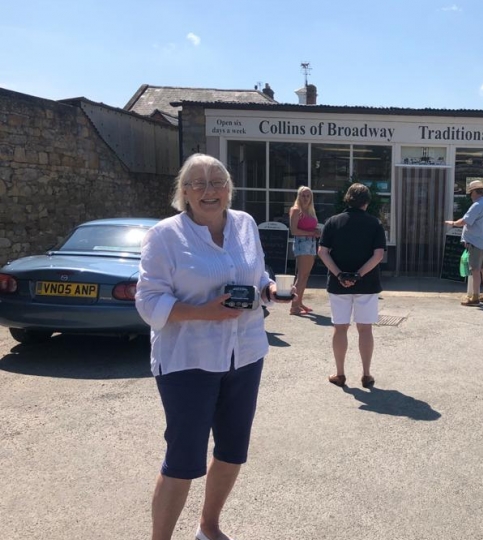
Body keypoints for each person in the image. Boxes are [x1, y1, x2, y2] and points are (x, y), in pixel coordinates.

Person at [136, 153, 287, 540]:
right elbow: (148, 302)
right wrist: (204, 312)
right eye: (198, 183)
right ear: (184, 192)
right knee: (184, 460)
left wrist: (269, 290)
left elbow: (258, 272)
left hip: (246, 352)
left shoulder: (245, 224)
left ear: (229, 189)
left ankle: (209, 526)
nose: (209, 190)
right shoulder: (165, 235)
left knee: (233, 449)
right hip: (189, 360)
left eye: (217, 182)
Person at [317, 183, 386, 388]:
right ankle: (366, 374)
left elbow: (322, 251)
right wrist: (358, 275)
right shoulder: (374, 224)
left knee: (340, 329)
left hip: (338, 285)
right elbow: (378, 255)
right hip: (367, 283)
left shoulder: (332, 222)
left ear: (347, 199)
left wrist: (339, 274)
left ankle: (340, 374)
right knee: (365, 329)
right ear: (367, 202)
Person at [444, 180, 483, 306]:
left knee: (475, 270)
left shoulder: (477, 205)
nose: (470, 195)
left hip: (476, 242)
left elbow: (465, 221)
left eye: (471, 192)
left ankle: (475, 297)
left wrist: (453, 223)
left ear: (476, 192)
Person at [289, 186, 321, 315]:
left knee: (306, 275)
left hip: (311, 243)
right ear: (298, 196)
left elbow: (311, 228)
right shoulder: (296, 210)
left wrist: (316, 232)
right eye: (303, 195)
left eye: (308, 196)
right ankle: (293, 306)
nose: (306, 198)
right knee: (301, 276)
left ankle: (299, 302)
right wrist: (312, 233)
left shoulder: (310, 211)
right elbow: (294, 231)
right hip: (302, 243)